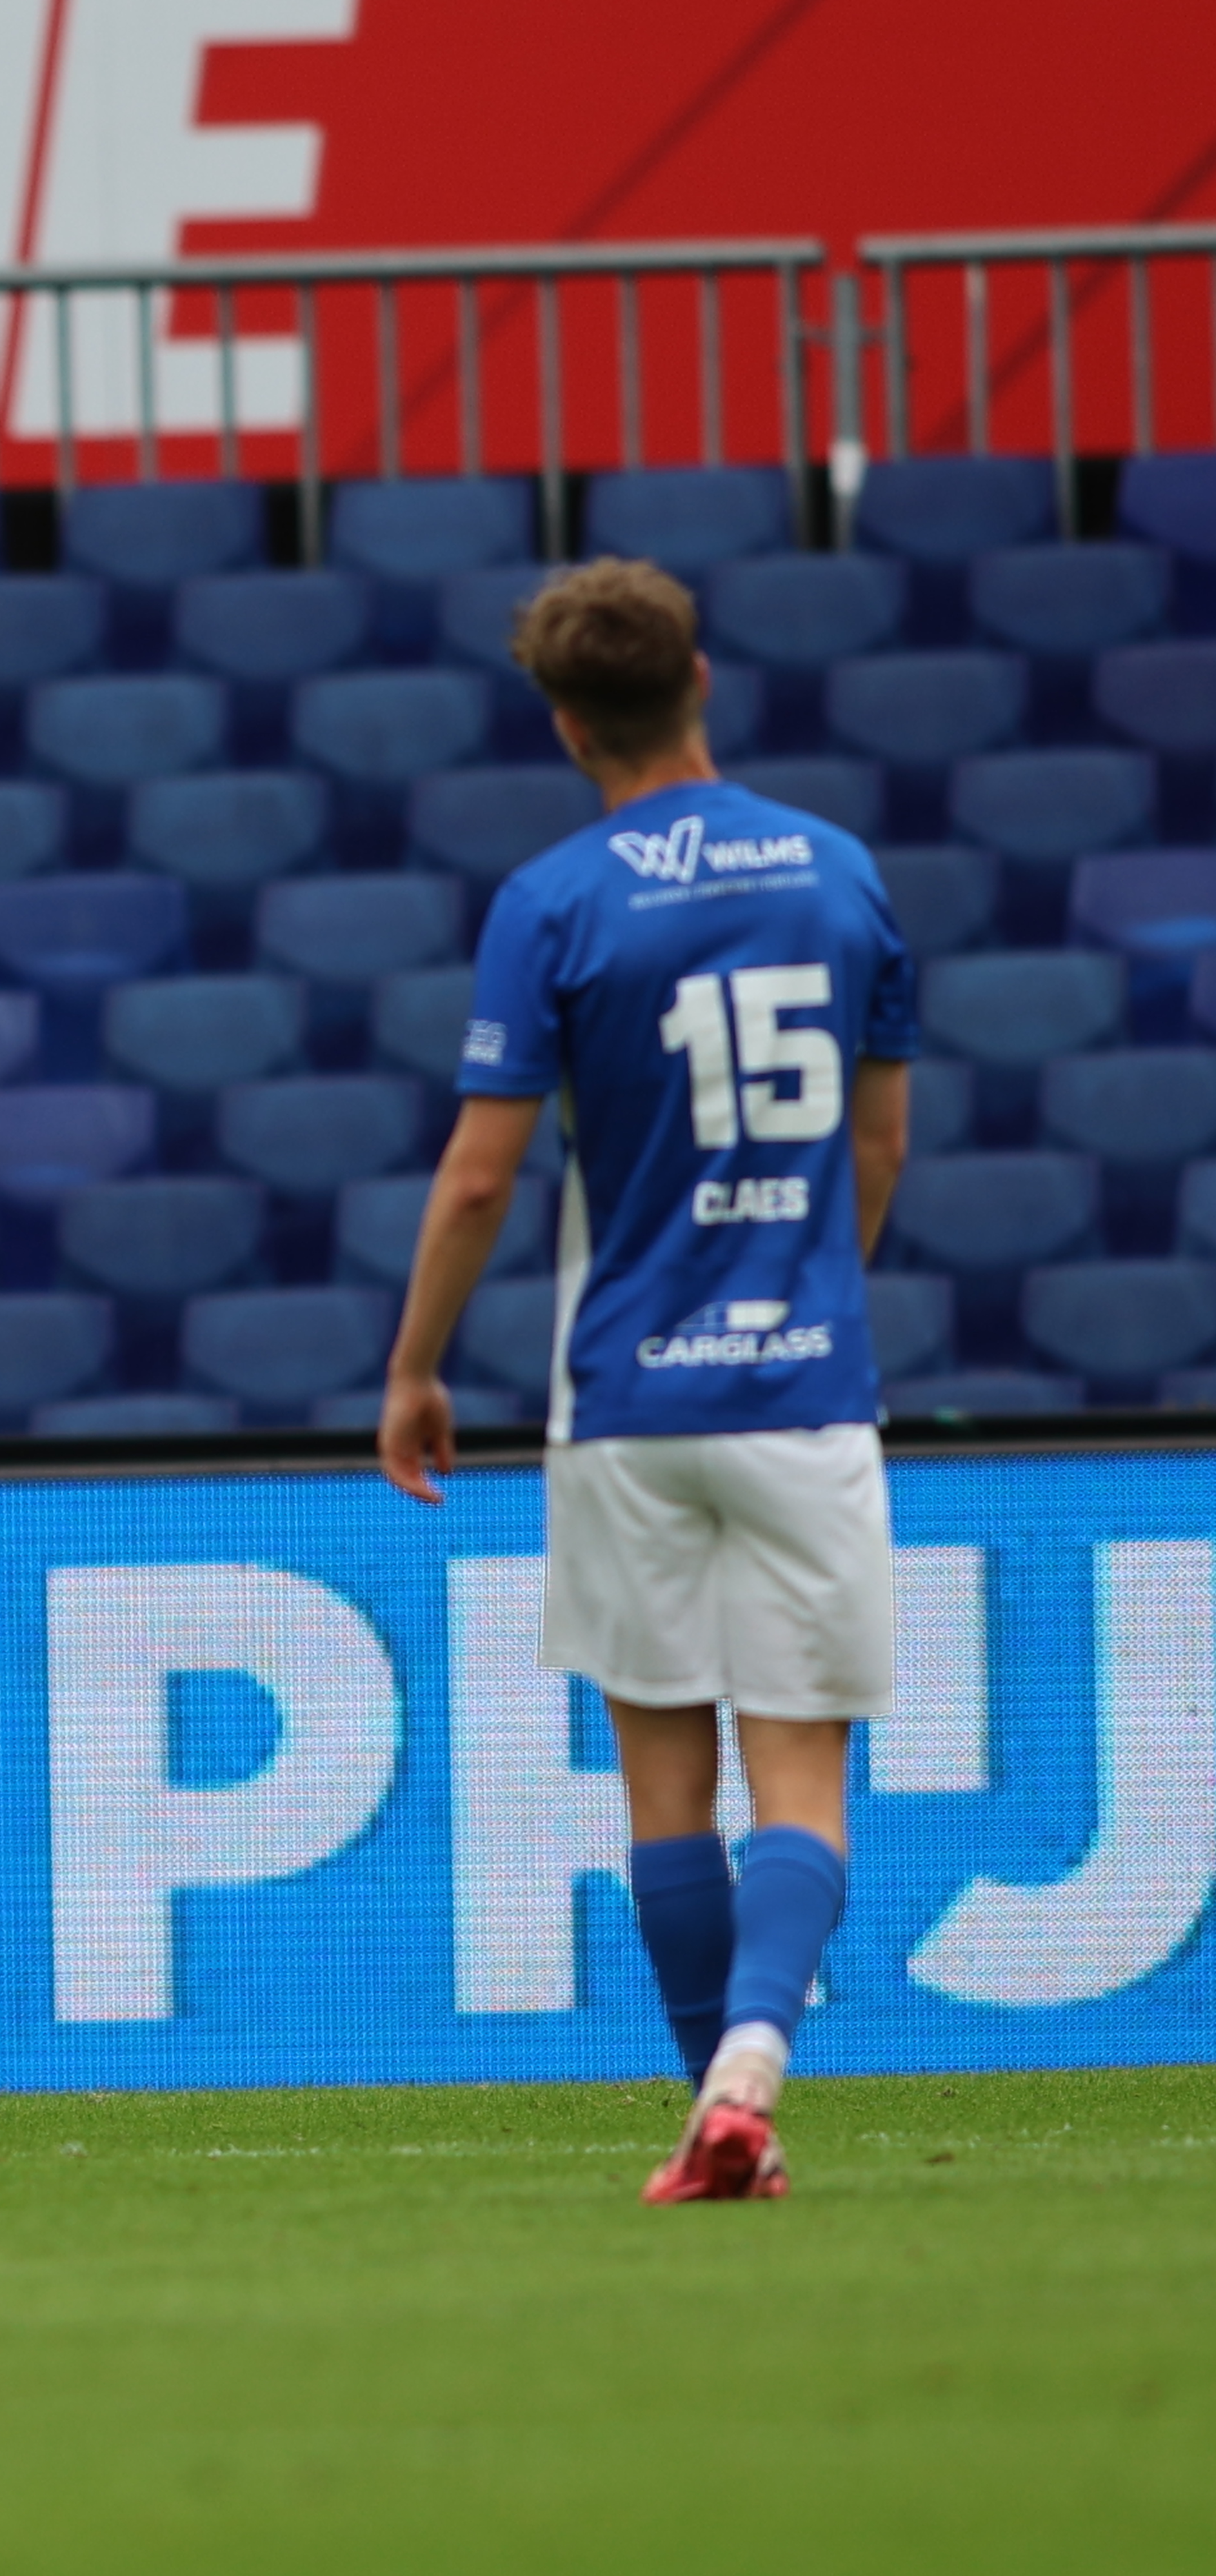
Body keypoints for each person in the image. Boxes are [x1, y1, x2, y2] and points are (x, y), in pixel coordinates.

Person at [377, 556, 912, 2206]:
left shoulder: (554, 899)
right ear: (701, 677)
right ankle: (757, 2062)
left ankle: (718, 2106)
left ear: (563, 723)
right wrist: (812, 1291)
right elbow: (876, 1142)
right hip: (806, 1387)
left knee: (665, 1783)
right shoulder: (839, 876)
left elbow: (477, 1180)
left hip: (625, 1404)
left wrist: (412, 1367)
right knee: (801, 1778)